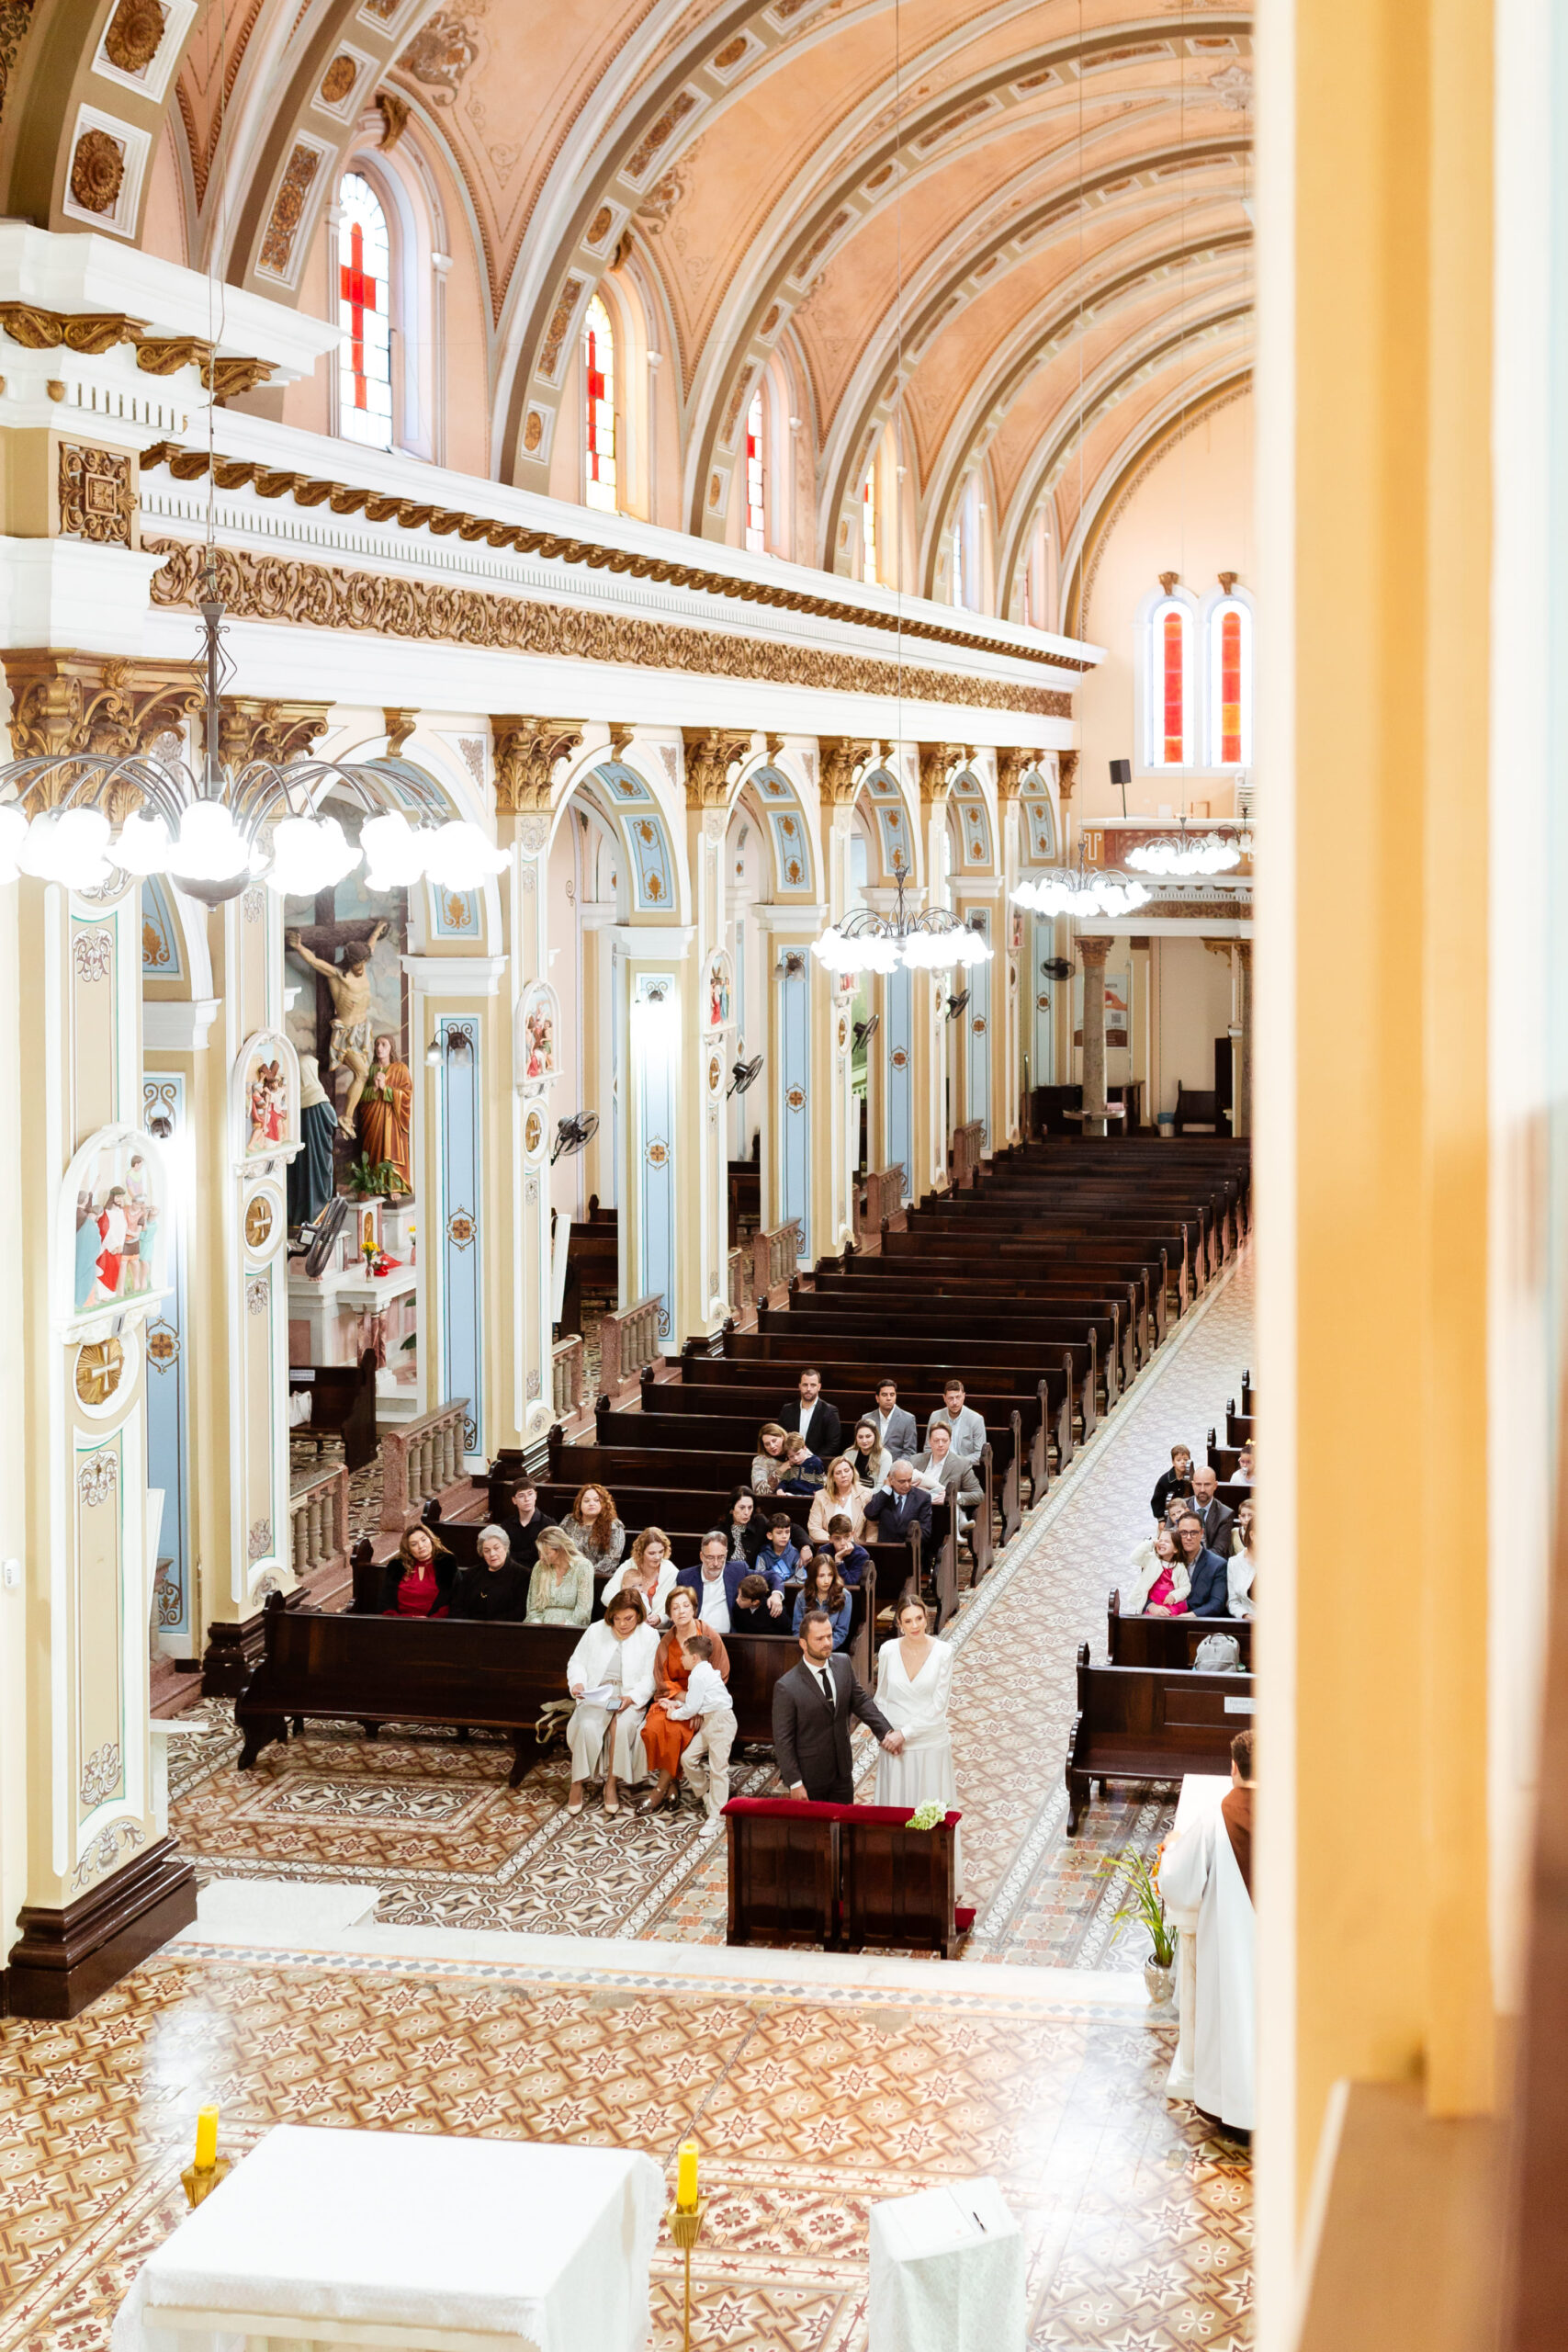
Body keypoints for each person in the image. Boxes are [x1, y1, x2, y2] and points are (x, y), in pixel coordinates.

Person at [1159, 1728, 1256, 2136]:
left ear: (1233, 1767)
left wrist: (1173, 1846)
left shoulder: (1216, 1818)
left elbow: (1178, 1884)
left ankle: (1236, 2111)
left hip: (1232, 1946)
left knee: (1235, 2019)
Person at [874, 1590, 962, 1890]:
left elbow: (939, 1706)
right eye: (908, 1620)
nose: (915, 1626)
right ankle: (895, 1881)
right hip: (894, 1747)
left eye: (919, 1619)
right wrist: (887, 1734)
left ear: (927, 1618)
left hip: (928, 1744)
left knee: (929, 1813)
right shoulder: (887, 1651)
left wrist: (905, 1734)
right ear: (899, 1623)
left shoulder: (943, 1653)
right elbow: (881, 1697)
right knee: (896, 1811)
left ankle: (931, 1882)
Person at [772, 1609, 904, 1804]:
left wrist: (885, 1731)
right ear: (803, 1644)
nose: (827, 1643)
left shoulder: (842, 1663)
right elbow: (783, 1741)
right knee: (817, 1832)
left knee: (845, 1828)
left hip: (842, 1771)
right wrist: (795, 1783)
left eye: (829, 1636)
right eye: (819, 1639)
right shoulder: (787, 1687)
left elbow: (861, 1702)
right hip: (811, 1777)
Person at [285, 919, 389, 1137]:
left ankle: (347, 1118)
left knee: (363, 1075)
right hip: (346, 1033)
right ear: (350, 961)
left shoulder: (363, 961)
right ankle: (346, 1117)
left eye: (364, 962)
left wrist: (378, 929)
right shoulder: (337, 975)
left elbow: (370, 945)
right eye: (358, 964)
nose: (362, 967)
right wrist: (298, 946)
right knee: (361, 1073)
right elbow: (314, 962)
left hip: (363, 1030)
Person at [637, 1588, 732, 1815]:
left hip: (701, 1704)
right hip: (673, 1698)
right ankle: (673, 1783)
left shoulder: (707, 1635)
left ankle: (660, 1789)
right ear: (669, 1612)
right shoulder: (667, 1641)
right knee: (653, 1729)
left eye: (686, 1606)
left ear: (694, 1608)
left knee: (678, 1731)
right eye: (675, 1607)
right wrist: (680, 1700)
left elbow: (721, 1673)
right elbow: (661, 1679)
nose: (681, 1611)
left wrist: (699, 1707)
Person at [564, 1589, 660, 1815]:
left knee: (623, 1726)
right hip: (598, 1692)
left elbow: (651, 1676)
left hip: (627, 1694)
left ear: (638, 1614)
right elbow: (576, 1662)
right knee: (587, 1726)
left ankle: (611, 1784)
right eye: (617, 1619)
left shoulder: (649, 1635)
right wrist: (577, 1684)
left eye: (628, 1618)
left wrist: (632, 1698)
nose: (623, 1624)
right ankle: (577, 1783)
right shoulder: (596, 1630)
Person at [676, 1634, 740, 1818]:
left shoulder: (697, 1676)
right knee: (688, 1759)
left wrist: (673, 1713)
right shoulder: (703, 1671)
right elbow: (694, 1702)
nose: (681, 1658)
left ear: (695, 1658)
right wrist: (677, 1705)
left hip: (721, 1722)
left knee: (718, 1769)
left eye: (684, 1655)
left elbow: (692, 1708)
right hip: (710, 1721)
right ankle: (706, 1792)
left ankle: (718, 1815)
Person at [288, 1053, 339, 1227]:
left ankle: (299, 1217)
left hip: (299, 1158)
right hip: (318, 1157)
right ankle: (317, 1218)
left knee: (300, 1184)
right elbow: (332, 1121)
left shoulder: (293, 1100)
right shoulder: (319, 1098)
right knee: (317, 1184)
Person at [358, 1033, 413, 1193]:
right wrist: (375, 1088)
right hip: (373, 1118)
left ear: (391, 1048)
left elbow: (407, 1094)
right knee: (373, 1151)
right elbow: (361, 1098)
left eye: (383, 1045)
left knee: (391, 1148)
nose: (379, 1048)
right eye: (377, 1045)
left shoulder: (400, 1068)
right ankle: (374, 1185)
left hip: (392, 1119)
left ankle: (394, 1187)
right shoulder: (371, 1070)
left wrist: (386, 1089)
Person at [602, 1524, 680, 1624]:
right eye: (652, 1553)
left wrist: (660, 1618)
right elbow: (606, 1596)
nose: (657, 1557)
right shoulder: (630, 1564)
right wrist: (627, 1611)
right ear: (641, 1552)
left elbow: (672, 1608)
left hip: (655, 1631)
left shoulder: (670, 1571)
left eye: (661, 1552)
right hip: (624, 1624)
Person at [912, 1421, 983, 1530]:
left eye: (944, 1441)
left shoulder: (962, 1464)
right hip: (914, 1511)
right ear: (929, 1441)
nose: (940, 1444)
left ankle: (956, 1529)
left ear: (950, 1441)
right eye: (936, 1441)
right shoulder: (916, 1460)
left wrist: (953, 1497)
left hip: (940, 1515)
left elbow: (978, 1495)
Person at [450, 1524, 528, 1621]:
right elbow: (457, 1606)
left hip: (504, 1630)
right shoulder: (471, 1574)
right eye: (487, 1551)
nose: (492, 1554)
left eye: (496, 1548)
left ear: (505, 1547)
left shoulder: (523, 1575)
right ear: (482, 1553)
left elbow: (520, 1612)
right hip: (470, 1630)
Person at [378, 1522, 454, 1616]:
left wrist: (431, 1620)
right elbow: (386, 1601)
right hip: (401, 1623)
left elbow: (453, 1600)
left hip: (436, 1624)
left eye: (424, 1540)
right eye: (414, 1544)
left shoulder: (447, 1563)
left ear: (431, 1540)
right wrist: (402, 1619)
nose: (421, 1546)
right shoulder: (397, 1566)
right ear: (408, 1549)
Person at [525, 1525, 594, 1625]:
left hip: (571, 1628)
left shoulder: (583, 1567)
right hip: (540, 1627)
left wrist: (564, 1627)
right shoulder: (539, 1566)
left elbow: (584, 1610)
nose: (541, 1558)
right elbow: (533, 1607)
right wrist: (538, 1626)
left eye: (546, 1553)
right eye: (539, 1553)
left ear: (560, 1550)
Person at [1122, 1521, 1190, 1616]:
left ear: (1176, 1549)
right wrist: (1152, 1543)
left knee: (1170, 1616)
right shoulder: (1151, 1560)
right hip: (1154, 1600)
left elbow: (1186, 1587)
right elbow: (1134, 1558)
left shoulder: (1179, 1567)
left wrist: (1175, 1595)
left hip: (1170, 1602)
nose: (1162, 1543)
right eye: (1160, 1540)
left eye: (1167, 1542)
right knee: (1150, 1620)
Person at [674, 1531, 736, 1633]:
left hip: (729, 1641)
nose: (716, 1563)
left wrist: (773, 1593)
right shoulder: (685, 1577)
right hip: (695, 1640)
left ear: (726, 1554)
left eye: (721, 1557)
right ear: (701, 1556)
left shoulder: (737, 1570)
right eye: (710, 1557)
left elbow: (770, 1576)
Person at [558, 1481, 626, 1574]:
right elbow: (557, 1546)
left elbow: (612, 1560)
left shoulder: (614, 1526)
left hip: (599, 1578)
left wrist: (586, 1574)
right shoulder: (569, 1520)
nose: (591, 1503)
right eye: (586, 1501)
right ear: (579, 1504)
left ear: (604, 1503)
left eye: (596, 1500)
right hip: (568, 1574)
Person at [1176, 1510, 1231, 1616]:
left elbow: (1216, 1603)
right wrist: (1151, 1606)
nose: (1188, 1537)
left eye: (1193, 1533)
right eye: (1183, 1533)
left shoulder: (1218, 1565)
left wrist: (1192, 1615)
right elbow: (1147, 1590)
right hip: (1168, 1618)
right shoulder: (1169, 1559)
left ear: (1201, 1533)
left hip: (1199, 1623)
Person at [863, 1459, 933, 1544]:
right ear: (891, 1480)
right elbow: (870, 1514)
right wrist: (886, 1489)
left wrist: (907, 1543)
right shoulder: (884, 1496)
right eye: (902, 1481)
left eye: (909, 1480)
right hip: (886, 1551)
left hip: (911, 1551)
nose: (907, 1485)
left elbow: (925, 1531)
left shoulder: (923, 1498)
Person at [791, 1553, 852, 1647]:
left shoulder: (845, 1595)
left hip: (831, 1649)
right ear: (813, 1577)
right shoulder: (802, 1596)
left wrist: (822, 1647)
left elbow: (841, 1632)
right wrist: (809, 1649)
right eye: (821, 1576)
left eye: (830, 1575)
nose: (826, 1581)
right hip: (807, 1649)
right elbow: (797, 1630)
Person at [781, 1366, 841, 1461]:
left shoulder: (830, 1411)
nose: (809, 1389)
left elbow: (833, 1444)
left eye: (813, 1385)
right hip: (790, 1461)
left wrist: (811, 1460)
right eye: (805, 1385)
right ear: (799, 1386)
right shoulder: (787, 1410)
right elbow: (781, 1438)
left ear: (819, 1387)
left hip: (816, 1464)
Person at [924, 1377, 986, 1466]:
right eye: (950, 1398)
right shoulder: (935, 1416)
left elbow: (979, 1454)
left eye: (958, 1397)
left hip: (964, 1468)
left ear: (964, 1396)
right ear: (944, 1398)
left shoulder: (976, 1419)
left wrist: (956, 1463)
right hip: (939, 1466)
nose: (955, 1402)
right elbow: (928, 1448)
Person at [807, 1455, 868, 1544]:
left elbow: (872, 1528)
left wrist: (870, 1548)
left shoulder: (866, 1494)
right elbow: (814, 1527)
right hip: (829, 1545)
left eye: (847, 1471)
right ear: (832, 1477)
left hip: (858, 1547)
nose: (843, 1475)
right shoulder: (820, 1496)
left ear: (853, 1472)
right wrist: (836, 1542)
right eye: (838, 1473)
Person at [500, 1479, 556, 1572]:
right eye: (521, 1496)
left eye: (530, 1494)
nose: (527, 1499)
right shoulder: (506, 1525)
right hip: (513, 1573)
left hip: (540, 1572)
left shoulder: (548, 1525)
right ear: (514, 1500)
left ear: (536, 1496)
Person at [1190, 1464, 1236, 1560]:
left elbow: (1219, 1551)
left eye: (1207, 1484)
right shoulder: (1179, 1508)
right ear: (1193, 1485)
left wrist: (1193, 1560)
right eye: (1198, 1484)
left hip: (1210, 1565)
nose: (1202, 1489)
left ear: (1215, 1485)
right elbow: (1169, 1539)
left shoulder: (1225, 1514)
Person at [868, 1378, 918, 1461]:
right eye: (884, 1395)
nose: (889, 1398)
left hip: (896, 1468)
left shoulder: (908, 1419)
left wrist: (894, 1467)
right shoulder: (867, 1418)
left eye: (892, 1395)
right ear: (877, 1398)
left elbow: (910, 1452)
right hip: (871, 1466)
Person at [821, 1514, 870, 1589]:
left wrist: (839, 1560)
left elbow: (849, 1585)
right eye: (837, 1538)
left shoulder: (861, 1555)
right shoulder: (823, 1551)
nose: (843, 1543)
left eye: (846, 1537)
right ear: (830, 1539)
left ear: (852, 1535)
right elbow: (821, 1581)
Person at [730, 1569, 788, 1633]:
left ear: (755, 1602)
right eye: (738, 1595)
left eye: (742, 1599)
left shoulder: (774, 1610)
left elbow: (786, 1631)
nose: (737, 1600)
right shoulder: (737, 1608)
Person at [1150, 1444, 1195, 1521]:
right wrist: (1161, 1520)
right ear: (1173, 1462)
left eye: (1185, 1459)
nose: (1183, 1462)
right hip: (1169, 1518)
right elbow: (1157, 1502)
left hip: (1189, 1516)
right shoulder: (1164, 1480)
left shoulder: (1194, 1478)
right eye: (1179, 1460)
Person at [1228, 1503, 1257, 1618]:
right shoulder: (1234, 1562)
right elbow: (1233, 1602)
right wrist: (1246, 1615)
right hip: (1246, 1623)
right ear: (1253, 1535)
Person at [848, 1419, 891, 1490]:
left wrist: (860, 1495)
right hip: (850, 1496)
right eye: (860, 1437)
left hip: (873, 1498)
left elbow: (881, 1488)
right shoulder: (849, 1454)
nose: (864, 1441)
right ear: (856, 1437)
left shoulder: (885, 1456)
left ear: (875, 1436)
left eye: (868, 1436)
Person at [777, 1431, 824, 1495]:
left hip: (809, 1496)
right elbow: (784, 1480)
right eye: (791, 1456)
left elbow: (820, 1483)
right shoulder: (789, 1464)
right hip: (790, 1495)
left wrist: (818, 1493)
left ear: (804, 1448)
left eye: (798, 1454)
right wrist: (780, 1489)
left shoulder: (816, 1462)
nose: (795, 1458)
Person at [750, 1421, 790, 1494]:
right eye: (767, 1444)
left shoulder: (797, 1451)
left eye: (774, 1441)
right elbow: (759, 1491)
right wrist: (780, 1471)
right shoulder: (760, 1461)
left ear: (783, 1437)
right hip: (774, 1501)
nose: (772, 1446)